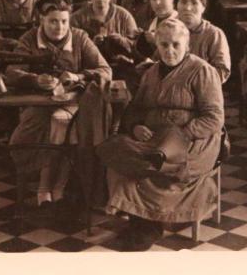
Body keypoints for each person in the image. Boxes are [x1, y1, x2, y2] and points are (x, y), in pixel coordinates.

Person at [96, 18, 224, 251]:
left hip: (193, 141)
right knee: (116, 150)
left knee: (155, 163)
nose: (169, 50)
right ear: (157, 45)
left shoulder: (203, 71)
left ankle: (148, 226)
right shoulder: (151, 72)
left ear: (187, 45)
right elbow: (136, 109)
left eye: (176, 44)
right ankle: (142, 222)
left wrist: (180, 135)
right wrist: (135, 126)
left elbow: (214, 117)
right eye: (164, 45)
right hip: (155, 137)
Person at [6, 0, 113, 208]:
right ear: (41, 20)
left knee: (61, 121)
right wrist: (35, 80)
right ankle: (56, 186)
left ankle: (47, 187)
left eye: (64, 21)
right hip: (37, 105)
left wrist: (79, 77)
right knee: (46, 127)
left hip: (72, 104)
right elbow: (10, 72)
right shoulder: (29, 39)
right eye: (53, 21)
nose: (60, 27)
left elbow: (106, 70)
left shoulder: (80, 38)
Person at [173, 0, 232, 85]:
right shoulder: (170, 29)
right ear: (177, 6)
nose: (188, 8)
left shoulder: (214, 34)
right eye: (183, 2)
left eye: (194, 3)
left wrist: (191, 81)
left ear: (203, 7)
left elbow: (222, 72)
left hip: (202, 91)